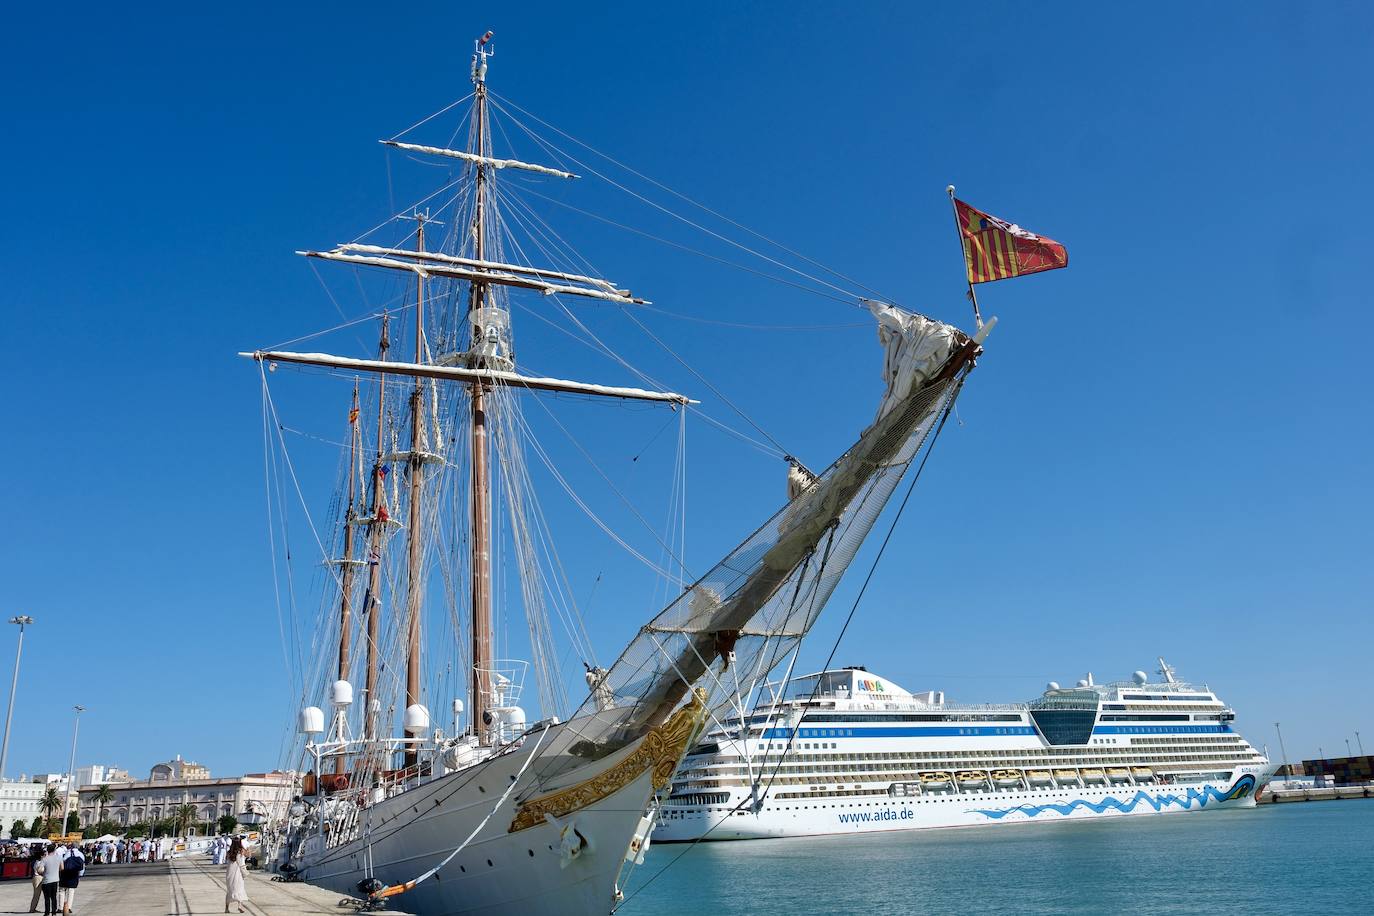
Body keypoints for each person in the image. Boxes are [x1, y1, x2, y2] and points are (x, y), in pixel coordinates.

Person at [224, 836, 248, 913]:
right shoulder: (240, 851)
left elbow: (226, 859)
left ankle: (227, 908)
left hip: (230, 872)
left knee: (230, 890)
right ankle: (239, 906)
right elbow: (242, 861)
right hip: (238, 872)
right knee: (239, 888)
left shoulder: (229, 852)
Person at [36, 845, 62, 916]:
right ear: (54, 850)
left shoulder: (44, 859)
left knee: (47, 898)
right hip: (55, 880)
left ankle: (47, 912)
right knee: (54, 897)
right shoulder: (59, 858)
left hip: (46, 880)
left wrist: (42, 873)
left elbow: (39, 870)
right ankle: (54, 912)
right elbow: (62, 868)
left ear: (47, 850)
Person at [57, 845, 83, 916]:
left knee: (62, 890)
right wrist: (80, 875)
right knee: (71, 891)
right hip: (74, 874)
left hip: (64, 874)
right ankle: (69, 907)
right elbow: (82, 866)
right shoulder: (80, 854)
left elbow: (62, 863)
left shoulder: (66, 853)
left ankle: (61, 907)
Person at [28, 844, 45, 913]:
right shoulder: (40, 862)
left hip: (35, 877)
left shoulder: (36, 861)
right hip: (38, 877)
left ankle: (33, 908)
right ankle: (32, 909)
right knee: (36, 895)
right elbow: (40, 871)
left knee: (36, 894)